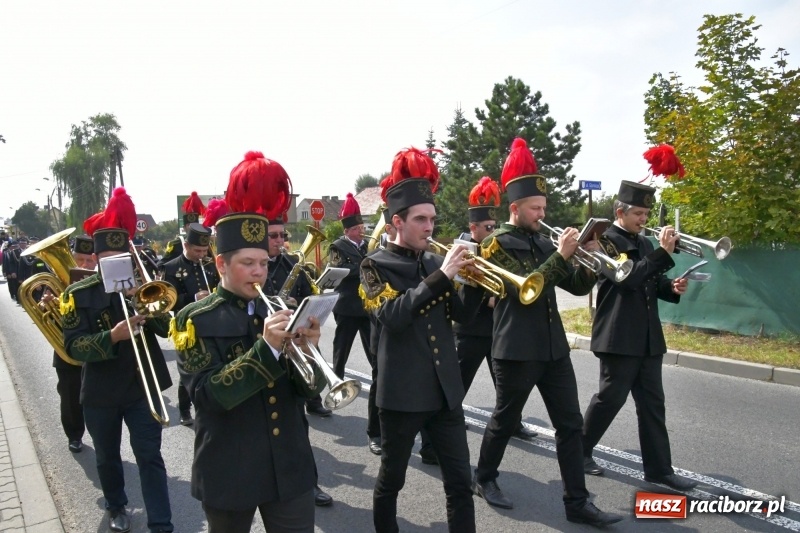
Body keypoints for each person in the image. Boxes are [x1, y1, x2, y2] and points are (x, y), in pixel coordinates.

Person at [170, 151, 327, 533]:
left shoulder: (280, 309)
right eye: (247, 263)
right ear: (221, 265)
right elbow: (206, 396)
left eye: (263, 263)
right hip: (229, 469)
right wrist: (267, 349)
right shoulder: (194, 319)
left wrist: (308, 351)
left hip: (288, 465)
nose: (259, 272)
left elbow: (310, 391)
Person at [471, 138, 622, 528]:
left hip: (554, 349)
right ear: (515, 208)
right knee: (505, 419)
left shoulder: (542, 240)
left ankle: (577, 502)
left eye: (543, 208)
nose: (542, 215)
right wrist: (562, 254)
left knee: (570, 426)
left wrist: (589, 257)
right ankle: (484, 476)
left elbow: (575, 286)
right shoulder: (493, 245)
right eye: (535, 209)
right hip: (516, 349)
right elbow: (525, 289)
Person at [360, 147, 481, 533]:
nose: (430, 227)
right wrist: (443, 277)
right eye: (420, 219)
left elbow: (462, 317)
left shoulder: (433, 261)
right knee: (391, 482)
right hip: (401, 396)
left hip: (445, 392)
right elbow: (393, 316)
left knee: (460, 483)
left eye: (432, 218)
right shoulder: (373, 266)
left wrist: (475, 282)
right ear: (397, 221)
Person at [61, 188, 174, 533]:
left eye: (122, 258)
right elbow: (74, 347)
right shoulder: (77, 294)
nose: (116, 265)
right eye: (109, 259)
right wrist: (111, 337)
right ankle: (116, 505)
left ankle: (161, 522)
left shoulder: (142, 286)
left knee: (150, 456)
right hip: (101, 390)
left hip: (142, 386)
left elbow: (166, 329)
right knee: (107, 456)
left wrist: (141, 300)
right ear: (96, 259)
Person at [581, 177, 698, 491]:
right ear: (620, 212)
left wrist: (671, 287)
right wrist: (663, 254)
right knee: (610, 399)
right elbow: (628, 279)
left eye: (646, 214)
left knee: (653, 405)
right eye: (638, 214)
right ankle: (578, 450)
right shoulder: (604, 242)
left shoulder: (645, 243)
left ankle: (659, 470)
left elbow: (651, 282)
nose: (643, 220)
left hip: (647, 337)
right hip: (618, 336)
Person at [455, 177, 539, 440]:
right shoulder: (461, 250)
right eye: (488, 227)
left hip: (497, 328)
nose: (493, 230)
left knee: (507, 384)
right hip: (470, 329)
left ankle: (513, 422)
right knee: (459, 380)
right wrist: (487, 299)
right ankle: (449, 419)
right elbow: (457, 291)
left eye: (494, 225)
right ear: (473, 228)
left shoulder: (498, 246)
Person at [262, 215, 334, 506]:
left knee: (298, 423)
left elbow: (309, 296)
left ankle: (309, 484)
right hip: (265, 348)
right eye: (273, 236)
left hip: (295, 346)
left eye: (283, 235)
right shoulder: (253, 267)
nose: (280, 240)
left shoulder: (293, 263)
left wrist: (302, 307)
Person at [41, 234, 96, 453]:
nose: (84, 265)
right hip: (68, 351)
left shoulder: (103, 282)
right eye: (79, 259)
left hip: (97, 348)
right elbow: (47, 315)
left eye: (89, 260)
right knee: (70, 395)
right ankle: (74, 435)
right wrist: (47, 305)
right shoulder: (55, 284)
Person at [162, 222, 220, 426]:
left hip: (211, 321)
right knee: (189, 366)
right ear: (186, 246)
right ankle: (184, 408)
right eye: (197, 250)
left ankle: (210, 405)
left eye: (204, 250)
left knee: (212, 363)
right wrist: (194, 297)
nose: (202, 255)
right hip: (186, 326)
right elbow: (169, 301)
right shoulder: (171, 268)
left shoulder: (210, 265)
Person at [329, 193, 372, 381]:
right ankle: (336, 379)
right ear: (347, 231)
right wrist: (365, 266)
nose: (360, 231)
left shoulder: (368, 245)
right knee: (342, 347)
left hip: (366, 305)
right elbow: (339, 269)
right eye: (356, 229)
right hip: (346, 305)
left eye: (361, 227)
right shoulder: (337, 246)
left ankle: (379, 379)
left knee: (373, 346)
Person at [364, 204, 394, 456]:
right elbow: (379, 308)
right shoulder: (373, 262)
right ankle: (375, 433)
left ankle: (429, 445)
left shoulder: (426, 258)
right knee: (380, 386)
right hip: (383, 337)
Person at [158, 191, 206, 268]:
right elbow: (161, 265)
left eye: (194, 225)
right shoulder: (175, 244)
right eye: (189, 225)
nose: (192, 228)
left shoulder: (205, 243)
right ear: (184, 228)